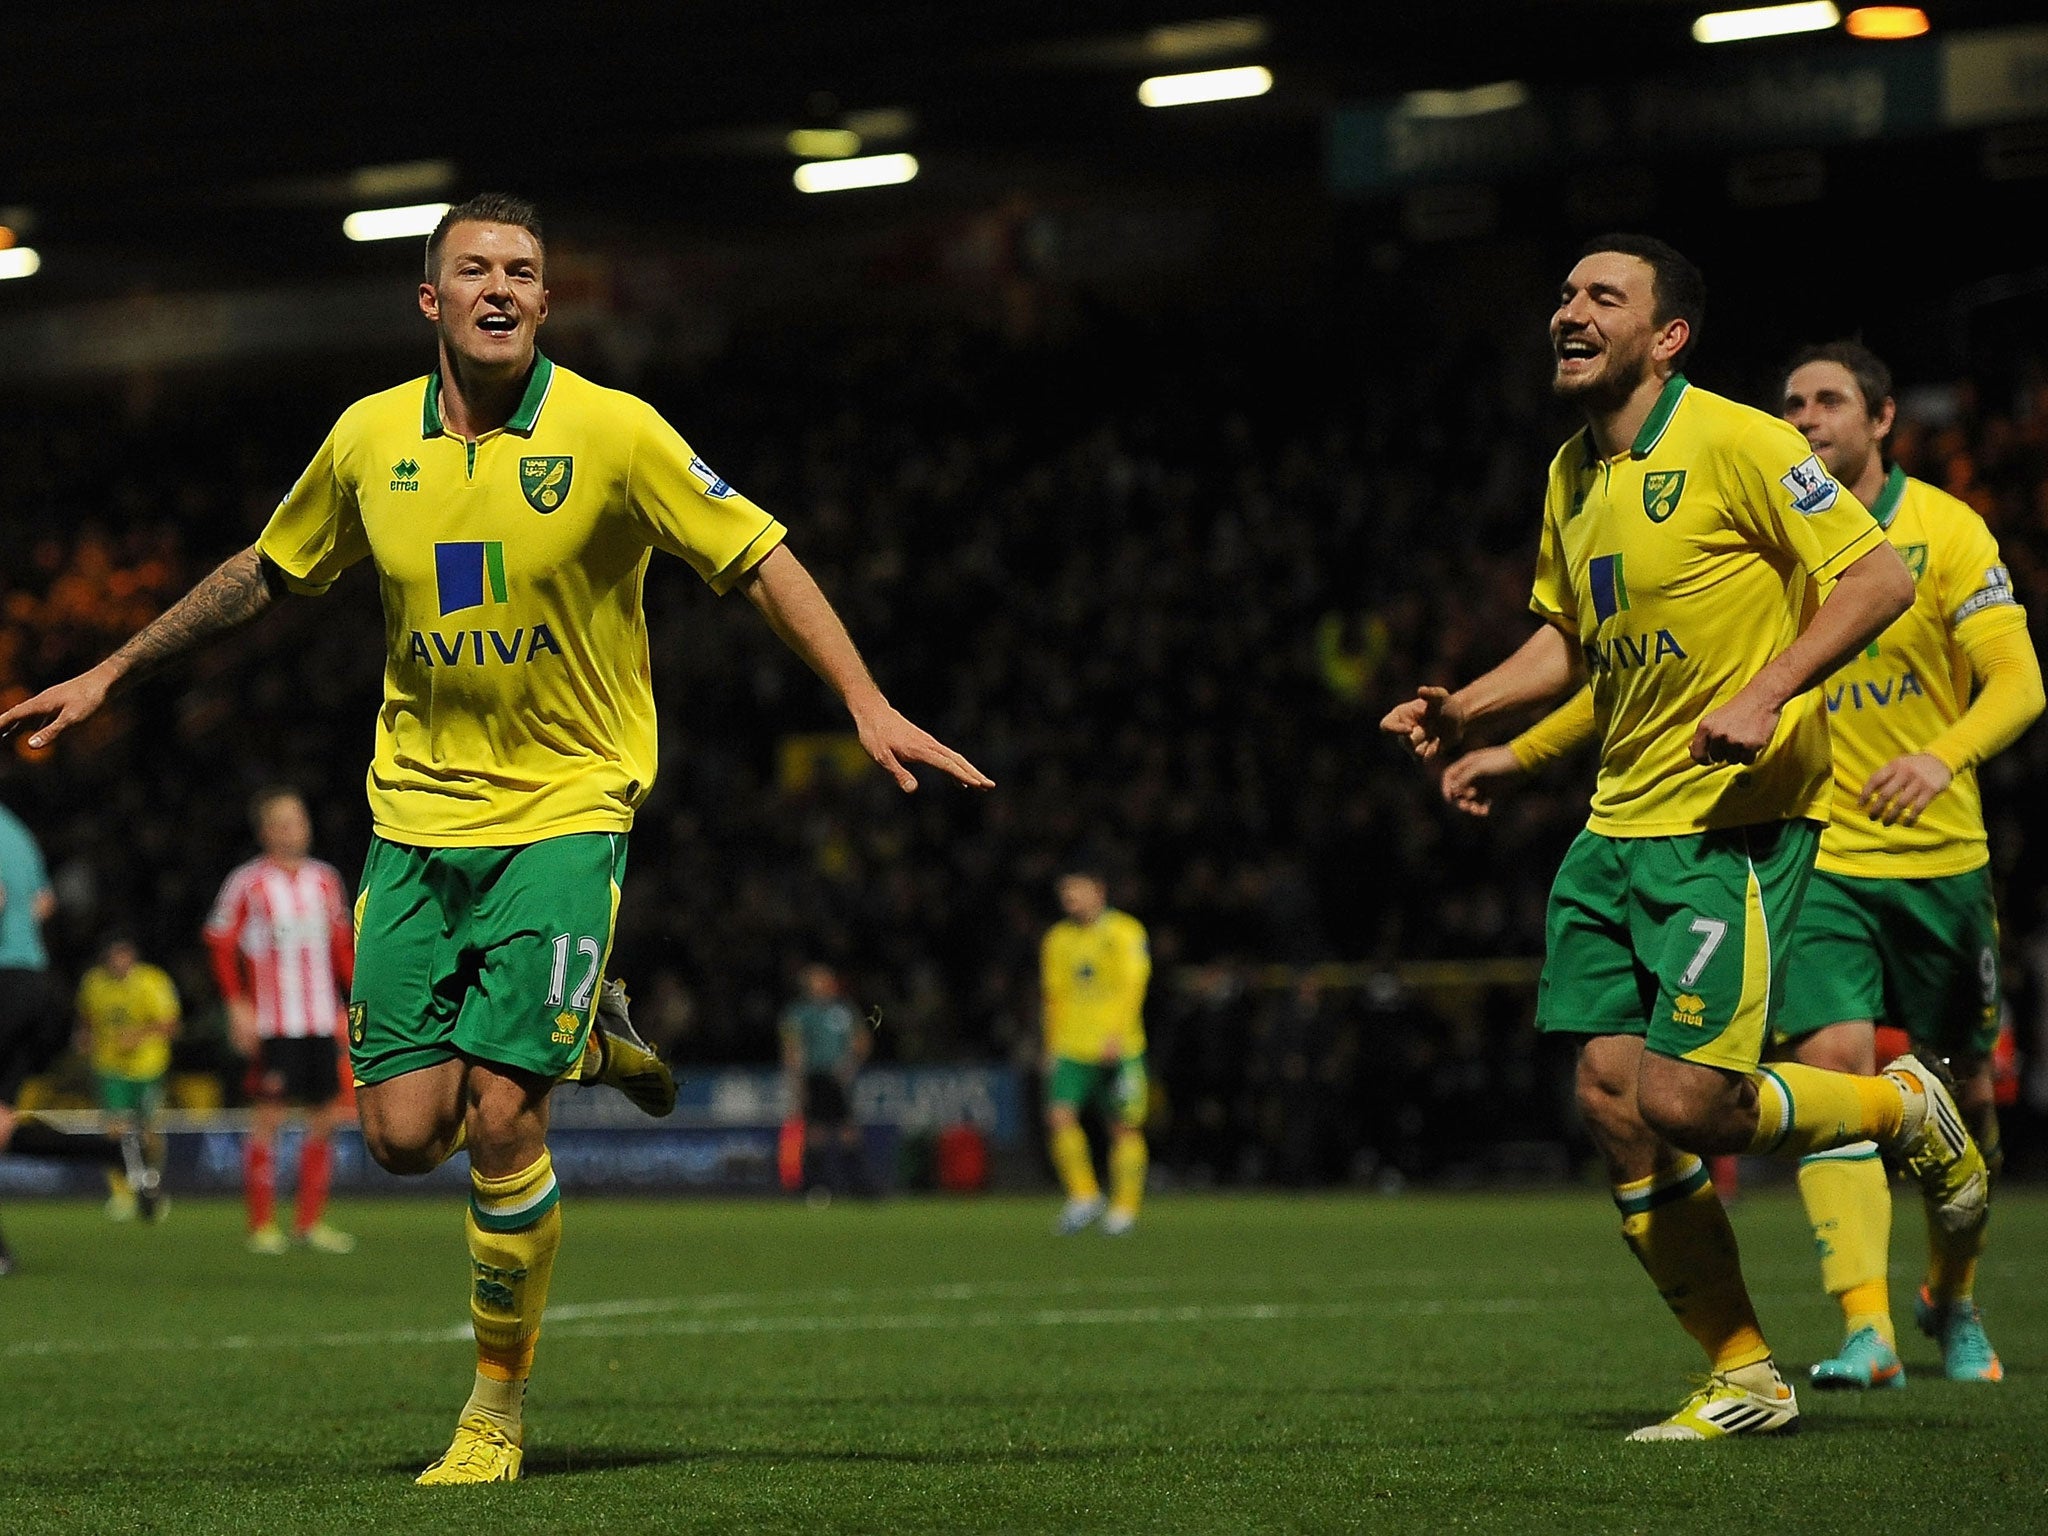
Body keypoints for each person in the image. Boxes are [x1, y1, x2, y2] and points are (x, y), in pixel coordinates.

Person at [0, 192, 991, 1481]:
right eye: (475, 269)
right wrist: (113, 671)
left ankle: (493, 1417)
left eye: (523, 270)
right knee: (405, 1137)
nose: (503, 287)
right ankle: (590, 1025)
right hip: (412, 824)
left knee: (504, 1122)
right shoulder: (366, 441)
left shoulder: (614, 430)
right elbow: (267, 567)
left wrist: (862, 699)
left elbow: (755, 555)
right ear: (430, 298)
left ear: (544, 297)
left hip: (566, 813)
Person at [1381, 233, 1988, 1441]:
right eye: (1561, 292)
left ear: (1667, 337)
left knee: (1689, 1106)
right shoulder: (1568, 472)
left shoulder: (1741, 441)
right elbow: (1567, 641)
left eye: (1602, 296)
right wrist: (1468, 708)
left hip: (1729, 830)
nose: (1569, 310)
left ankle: (1896, 1110)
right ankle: (1745, 1374)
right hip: (1616, 828)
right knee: (1610, 1100)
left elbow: (1873, 583)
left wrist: (1766, 692)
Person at [204, 785, 359, 1255]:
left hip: (319, 1017)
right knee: (268, 1118)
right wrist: (236, 1005)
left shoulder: (326, 880)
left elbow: (340, 949)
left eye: (301, 819)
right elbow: (219, 943)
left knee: (324, 1118)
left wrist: (355, 1004)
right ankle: (261, 1224)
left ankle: (309, 1223)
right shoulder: (247, 883)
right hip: (273, 1020)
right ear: (267, 831)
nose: (297, 829)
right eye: (286, 821)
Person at [3, 797, 153, 1273]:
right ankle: (112, 1150)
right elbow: (43, 904)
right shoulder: (16, 829)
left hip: (2, 981)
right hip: (36, 983)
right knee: (2, 1122)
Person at [1039, 868, 1152, 1235]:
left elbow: (1133, 987)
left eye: (1077, 890)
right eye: (1065, 892)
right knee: (1059, 1118)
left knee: (1123, 1126)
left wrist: (1116, 1034)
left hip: (1119, 1048)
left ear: (1099, 891)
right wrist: (1051, 1045)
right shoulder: (1057, 939)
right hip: (1072, 1047)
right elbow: (1053, 998)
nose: (1070, 898)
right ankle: (1085, 1195)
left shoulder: (1125, 932)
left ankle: (1124, 1208)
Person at [75, 931, 181, 1221]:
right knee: (114, 1130)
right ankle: (122, 1193)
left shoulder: (152, 981)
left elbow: (172, 1025)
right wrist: (84, 1035)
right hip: (109, 1066)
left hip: (148, 1066)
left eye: (125, 956)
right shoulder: (94, 983)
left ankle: (152, 1184)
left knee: (147, 1131)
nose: (119, 963)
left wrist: (139, 1035)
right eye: (114, 957)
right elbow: (87, 1016)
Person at [777, 962, 873, 1200]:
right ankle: (816, 1188)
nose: (823, 986)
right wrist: (796, 1080)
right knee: (816, 1131)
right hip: (814, 1077)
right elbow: (791, 1047)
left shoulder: (844, 1010)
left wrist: (850, 1065)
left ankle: (858, 1186)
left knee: (848, 1130)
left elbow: (861, 1040)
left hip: (839, 1077)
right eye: (817, 981)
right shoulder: (799, 1012)